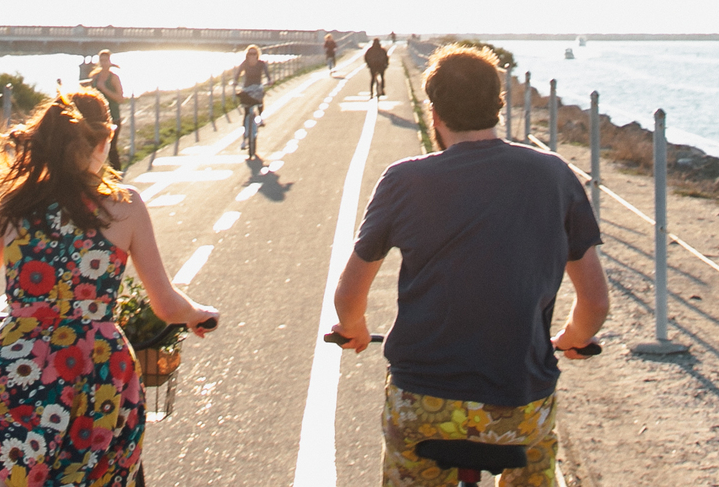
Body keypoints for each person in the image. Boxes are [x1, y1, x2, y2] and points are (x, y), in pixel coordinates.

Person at [0, 88, 215, 485]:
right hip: (100, 366)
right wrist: (198, 315)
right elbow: (168, 306)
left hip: (26, 361)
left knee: (8, 447)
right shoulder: (125, 205)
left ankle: (21, 454)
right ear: (106, 139)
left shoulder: (12, 206)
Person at [327, 45, 606, 486]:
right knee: (534, 465)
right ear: (499, 104)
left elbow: (348, 296)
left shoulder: (404, 179)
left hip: (423, 403)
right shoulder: (554, 175)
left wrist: (353, 328)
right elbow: (594, 302)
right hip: (519, 406)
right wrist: (575, 338)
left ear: (433, 112)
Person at [83, 50, 126, 170]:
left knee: (111, 148)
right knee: (95, 148)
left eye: (105, 60)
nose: (103, 63)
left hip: (113, 116)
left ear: (109, 61)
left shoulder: (113, 78)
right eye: (101, 60)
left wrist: (104, 88)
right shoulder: (94, 77)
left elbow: (120, 98)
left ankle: (117, 175)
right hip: (97, 118)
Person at [237, 43, 268, 163]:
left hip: (257, 87)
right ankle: (245, 138)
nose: (252, 56)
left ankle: (260, 118)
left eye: (254, 54)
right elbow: (237, 74)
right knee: (246, 113)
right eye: (250, 54)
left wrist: (269, 80)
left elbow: (267, 74)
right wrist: (235, 81)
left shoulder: (261, 64)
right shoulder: (244, 64)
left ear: (257, 55)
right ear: (247, 55)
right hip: (247, 88)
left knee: (260, 100)